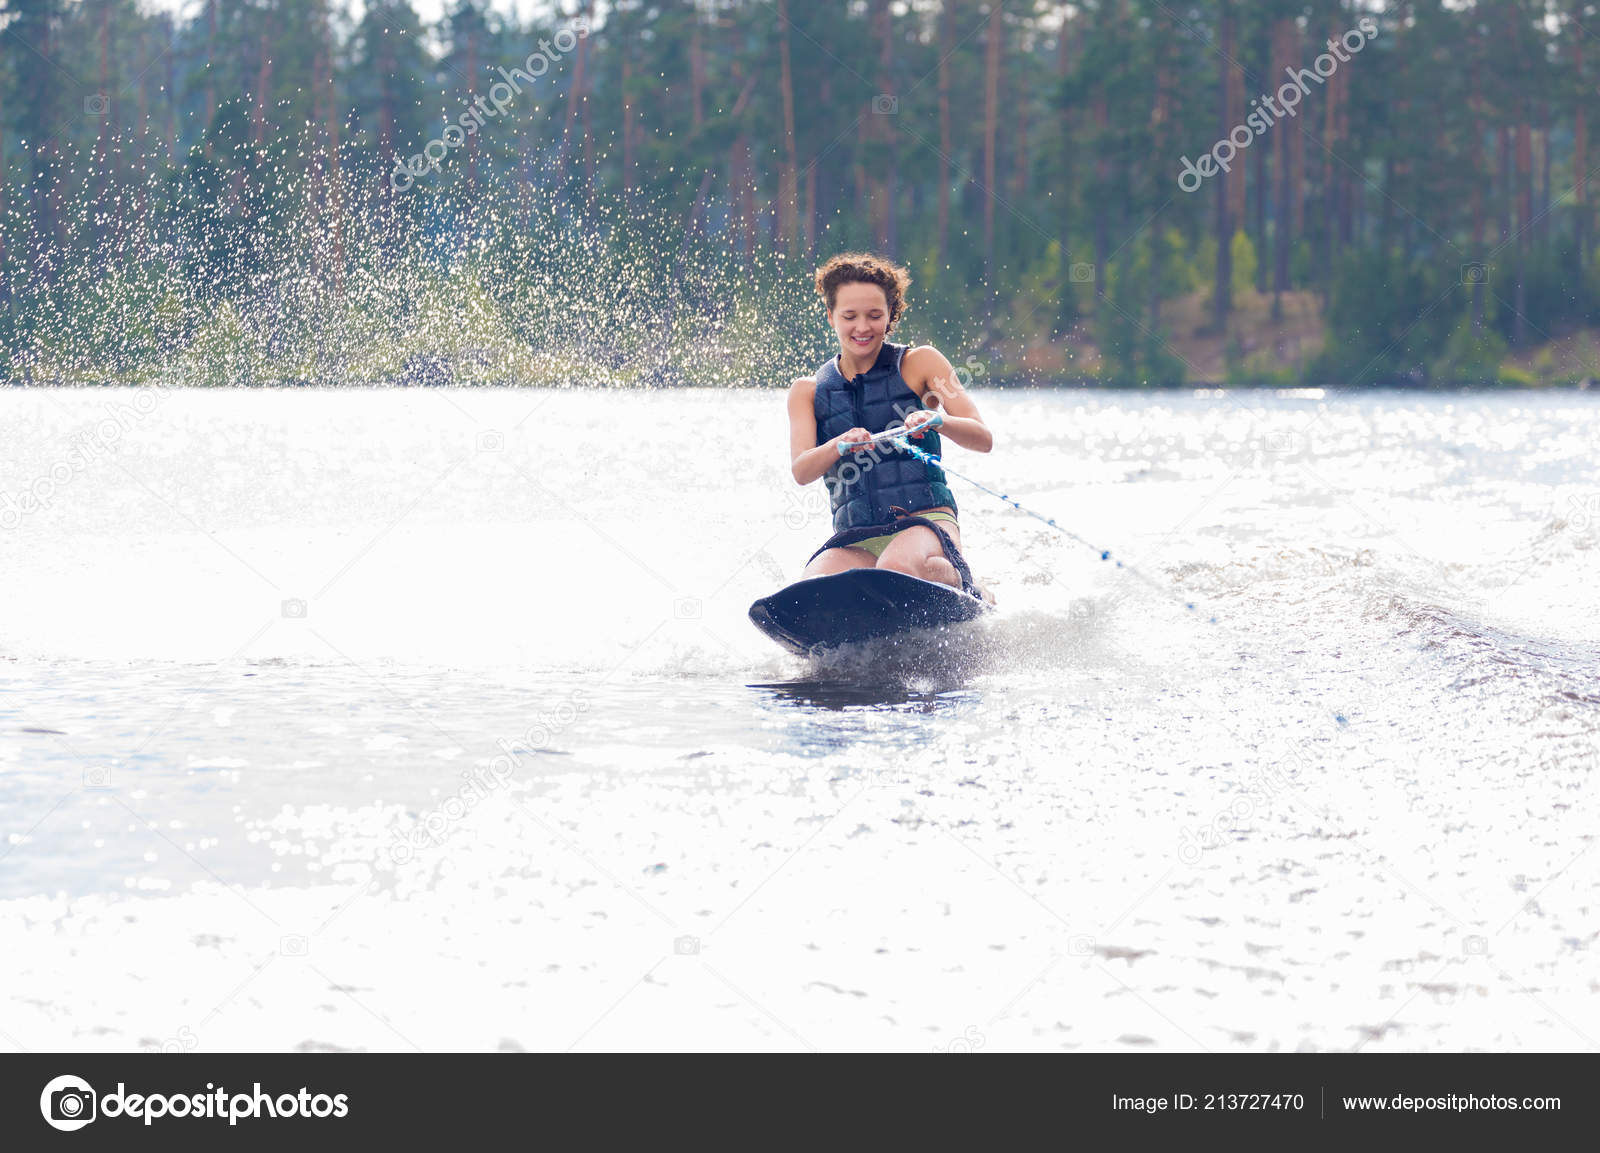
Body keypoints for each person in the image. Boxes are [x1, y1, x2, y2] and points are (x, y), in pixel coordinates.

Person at [787, 253, 993, 598]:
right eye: (849, 316)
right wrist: (837, 445)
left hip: (927, 523)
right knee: (813, 589)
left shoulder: (921, 363)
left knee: (896, 569)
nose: (862, 327)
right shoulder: (807, 391)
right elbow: (802, 470)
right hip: (857, 538)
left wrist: (937, 420)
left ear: (891, 315)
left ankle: (964, 583)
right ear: (831, 316)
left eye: (875, 315)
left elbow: (982, 438)